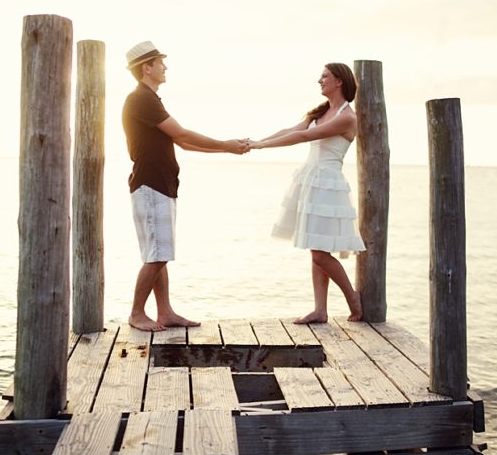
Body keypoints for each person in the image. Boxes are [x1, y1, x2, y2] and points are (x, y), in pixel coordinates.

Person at [123, 42, 250, 332]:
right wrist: (225, 144)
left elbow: (181, 142)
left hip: (161, 185)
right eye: (160, 62)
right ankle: (137, 313)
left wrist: (227, 150)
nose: (165, 67)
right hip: (150, 184)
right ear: (147, 67)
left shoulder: (150, 100)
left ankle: (165, 312)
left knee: (159, 252)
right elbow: (181, 133)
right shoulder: (140, 99)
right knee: (157, 254)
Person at [254, 63, 365, 324]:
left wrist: (262, 147)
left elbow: (305, 137)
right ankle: (320, 310)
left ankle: (352, 298)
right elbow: (292, 131)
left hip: (328, 184)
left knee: (319, 252)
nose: (319, 80)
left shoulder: (347, 117)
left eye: (325, 76)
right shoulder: (321, 111)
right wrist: (258, 142)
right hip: (310, 181)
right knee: (316, 248)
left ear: (339, 81)